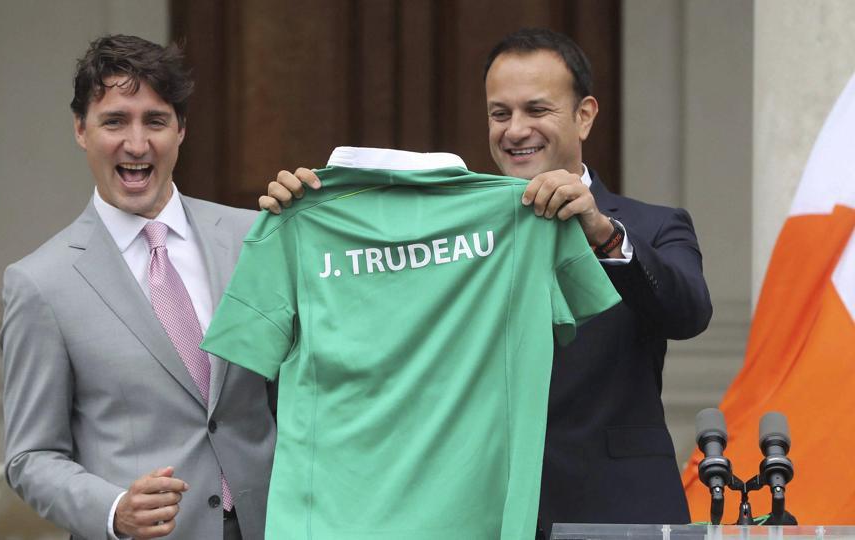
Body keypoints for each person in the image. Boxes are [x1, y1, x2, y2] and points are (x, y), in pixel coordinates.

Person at [260, 27, 712, 531]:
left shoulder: (651, 224)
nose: (515, 130)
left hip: (612, 508)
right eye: (500, 113)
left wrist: (602, 233)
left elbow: (688, 312)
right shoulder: (445, 235)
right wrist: (306, 219)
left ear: (584, 116)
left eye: (537, 110)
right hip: (473, 511)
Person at [1, 35, 275, 540]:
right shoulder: (39, 283)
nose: (136, 143)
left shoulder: (253, 239)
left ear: (181, 130)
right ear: (81, 130)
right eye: (114, 121)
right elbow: (30, 456)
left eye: (155, 120)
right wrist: (113, 511)